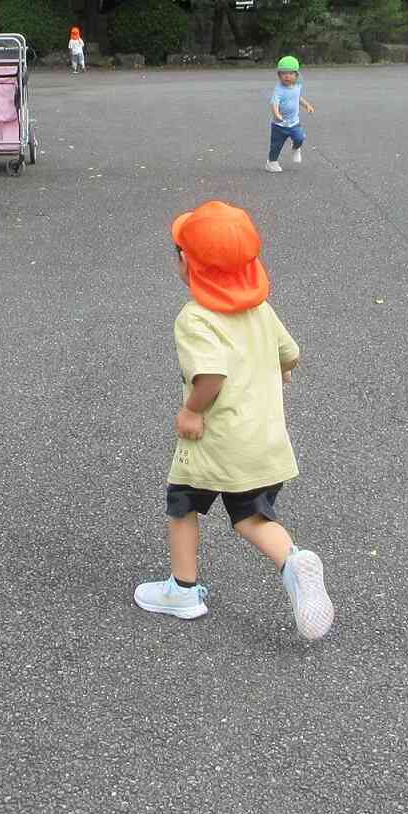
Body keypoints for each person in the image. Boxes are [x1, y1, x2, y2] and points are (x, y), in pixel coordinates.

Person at [134, 201, 334, 641]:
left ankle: (182, 590)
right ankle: (292, 562)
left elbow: (210, 376)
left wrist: (191, 410)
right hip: (264, 440)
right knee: (250, 516)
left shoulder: (196, 318)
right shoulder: (260, 310)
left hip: (215, 440)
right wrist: (278, 369)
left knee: (183, 503)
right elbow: (291, 354)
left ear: (186, 264)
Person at [265, 55, 314, 173]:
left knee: (300, 138)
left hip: (293, 122)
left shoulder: (297, 86)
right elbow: (274, 103)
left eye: (291, 73)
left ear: (296, 75)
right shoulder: (279, 89)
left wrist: (307, 105)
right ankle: (271, 162)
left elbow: (298, 98)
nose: (287, 76)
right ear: (279, 75)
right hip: (279, 125)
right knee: (276, 146)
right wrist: (276, 114)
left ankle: (296, 148)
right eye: (284, 73)